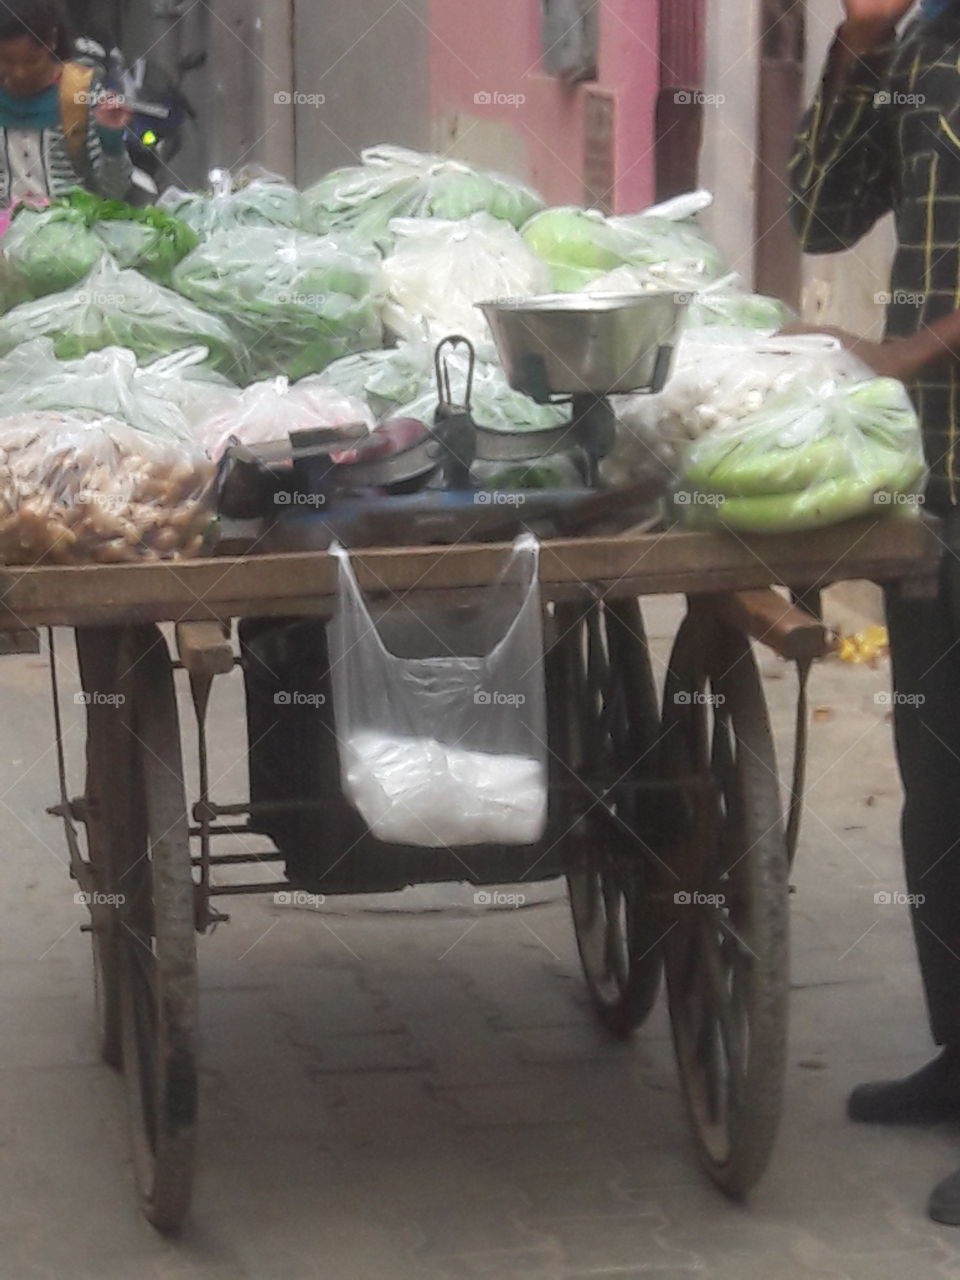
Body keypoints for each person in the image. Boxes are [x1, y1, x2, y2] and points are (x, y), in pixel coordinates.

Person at [790, 0, 960, 1226]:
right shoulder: (919, 44)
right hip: (938, 479)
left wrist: (917, 347)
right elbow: (821, 213)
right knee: (939, 778)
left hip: (930, 401)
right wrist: (854, 44)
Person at [0, 0, 131, 208]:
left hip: (68, 233)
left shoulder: (82, 94)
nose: (19, 73)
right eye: (5, 60)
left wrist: (111, 140)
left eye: (31, 61)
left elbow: (113, 192)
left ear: (51, 40)